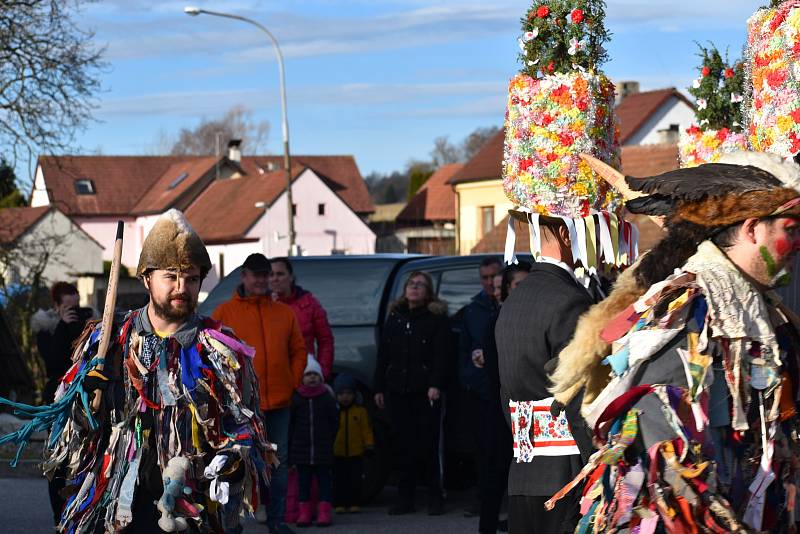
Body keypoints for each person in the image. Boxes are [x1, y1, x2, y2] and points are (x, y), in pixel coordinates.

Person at [547, 152, 800, 532]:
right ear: (752, 228)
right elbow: (661, 457)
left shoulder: (767, 309)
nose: (797, 244)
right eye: (791, 229)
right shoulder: (688, 309)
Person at [18, 209, 272, 533]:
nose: (182, 287)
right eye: (171, 276)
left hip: (193, 506)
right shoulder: (110, 340)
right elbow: (73, 427)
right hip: (124, 503)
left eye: (192, 278)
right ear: (146, 278)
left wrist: (233, 461)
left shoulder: (219, 350)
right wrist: (84, 399)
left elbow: (243, 422)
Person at [496, 220, 595, 534]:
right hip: (565, 471)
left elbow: (506, 390)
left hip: (523, 468)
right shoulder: (569, 299)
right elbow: (578, 392)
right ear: (567, 235)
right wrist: (598, 461)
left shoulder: (515, 298)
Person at [213, 253, 307, 534]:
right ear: (244, 276)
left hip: (279, 401)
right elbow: (212, 355)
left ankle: (277, 521)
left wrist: (292, 380)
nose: (261, 281)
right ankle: (232, 524)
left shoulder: (284, 313)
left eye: (265, 275)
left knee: (278, 465)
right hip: (240, 406)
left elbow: (298, 350)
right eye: (256, 275)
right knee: (236, 463)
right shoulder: (224, 313)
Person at [373, 271, 450, 516]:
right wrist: (379, 387)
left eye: (420, 285)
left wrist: (435, 383)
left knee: (428, 445)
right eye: (411, 284)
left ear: (428, 292)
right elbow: (383, 355)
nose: (414, 288)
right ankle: (405, 499)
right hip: (398, 389)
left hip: (425, 391)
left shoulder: (435, 319)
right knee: (402, 446)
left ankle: (434, 497)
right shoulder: (395, 318)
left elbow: (442, 356)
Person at [31, 281, 94, 525]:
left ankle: (83, 512)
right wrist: (61, 326)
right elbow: (53, 361)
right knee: (59, 461)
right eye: (68, 308)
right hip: (56, 399)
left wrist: (81, 326)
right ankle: (59, 516)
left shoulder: (87, 323)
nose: (73, 312)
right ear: (56, 306)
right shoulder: (46, 328)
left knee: (87, 458)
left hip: (85, 398)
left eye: (75, 307)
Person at [478, 262, 530, 534]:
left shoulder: (535, 318)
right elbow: (495, 371)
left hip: (530, 409)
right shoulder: (496, 320)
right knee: (495, 476)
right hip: (502, 409)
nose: (525, 290)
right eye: (518, 285)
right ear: (508, 290)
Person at [458, 256, 501, 518]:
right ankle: (484, 500)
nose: (488, 283)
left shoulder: (507, 306)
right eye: (483, 278)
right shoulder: (474, 310)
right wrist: (469, 375)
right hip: (481, 390)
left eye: (492, 278)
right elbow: (463, 348)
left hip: (504, 389)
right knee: (483, 451)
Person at [288, 357, 338, 528]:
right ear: (302, 378)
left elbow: (334, 422)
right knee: (304, 483)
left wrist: (330, 440)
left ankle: (324, 511)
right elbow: (292, 425)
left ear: (321, 378)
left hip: (322, 449)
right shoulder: (297, 398)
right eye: (308, 374)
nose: (312, 378)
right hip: (301, 451)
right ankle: (304, 512)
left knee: (324, 482)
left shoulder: (326, 397)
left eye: (315, 375)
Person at [270, 257, 334, 380]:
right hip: (275, 376)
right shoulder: (262, 305)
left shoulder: (309, 303)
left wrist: (321, 372)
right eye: (271, 274)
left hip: (305, 374)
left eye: (280, 274)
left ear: (291, 277)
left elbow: (325, 340)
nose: (275, 279)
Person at [332, 372, 374, 514]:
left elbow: (366, 430)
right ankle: (339, 502)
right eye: (342, 393)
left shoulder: (360, 412)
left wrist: (369, 445)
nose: (345, 397)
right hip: (337, 452)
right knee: (339, 480)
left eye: (349, 393)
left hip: (356, 452)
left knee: (355, 480)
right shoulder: (334, 412)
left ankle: (354, 502)